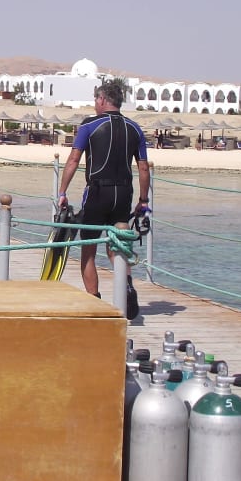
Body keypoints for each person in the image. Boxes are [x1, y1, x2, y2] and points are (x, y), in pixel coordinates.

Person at [57, 79, 150, 319]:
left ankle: (94, 301)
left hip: (98, 192)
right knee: (117, 245)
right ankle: (127, 284)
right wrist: (143, 200)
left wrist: (62, 193)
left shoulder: (90, 125)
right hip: (123, 193)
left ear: (101, 100)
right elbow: (143, 169)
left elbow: (73, 160)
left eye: (95, 100)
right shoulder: (135, 128)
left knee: (88, 249)